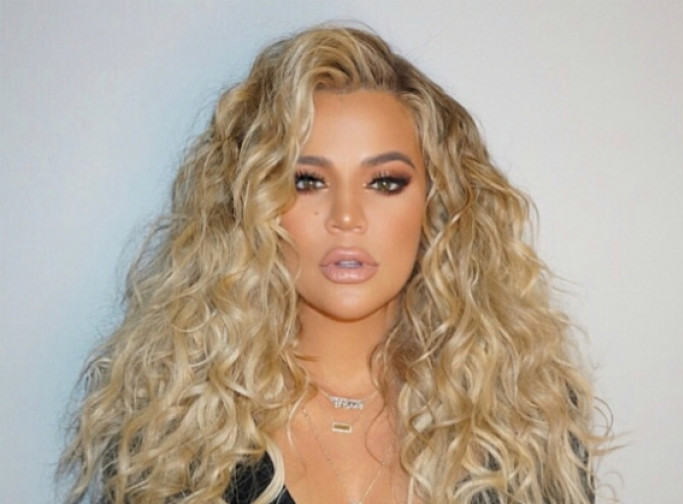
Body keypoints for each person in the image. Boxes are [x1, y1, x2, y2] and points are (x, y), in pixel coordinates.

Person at [58, 24, 608, 504]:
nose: (347, 217)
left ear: (437, 202)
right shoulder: (172, 432)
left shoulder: (524, 423)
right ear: (252, 203)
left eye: (384, 182)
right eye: (307, 181)